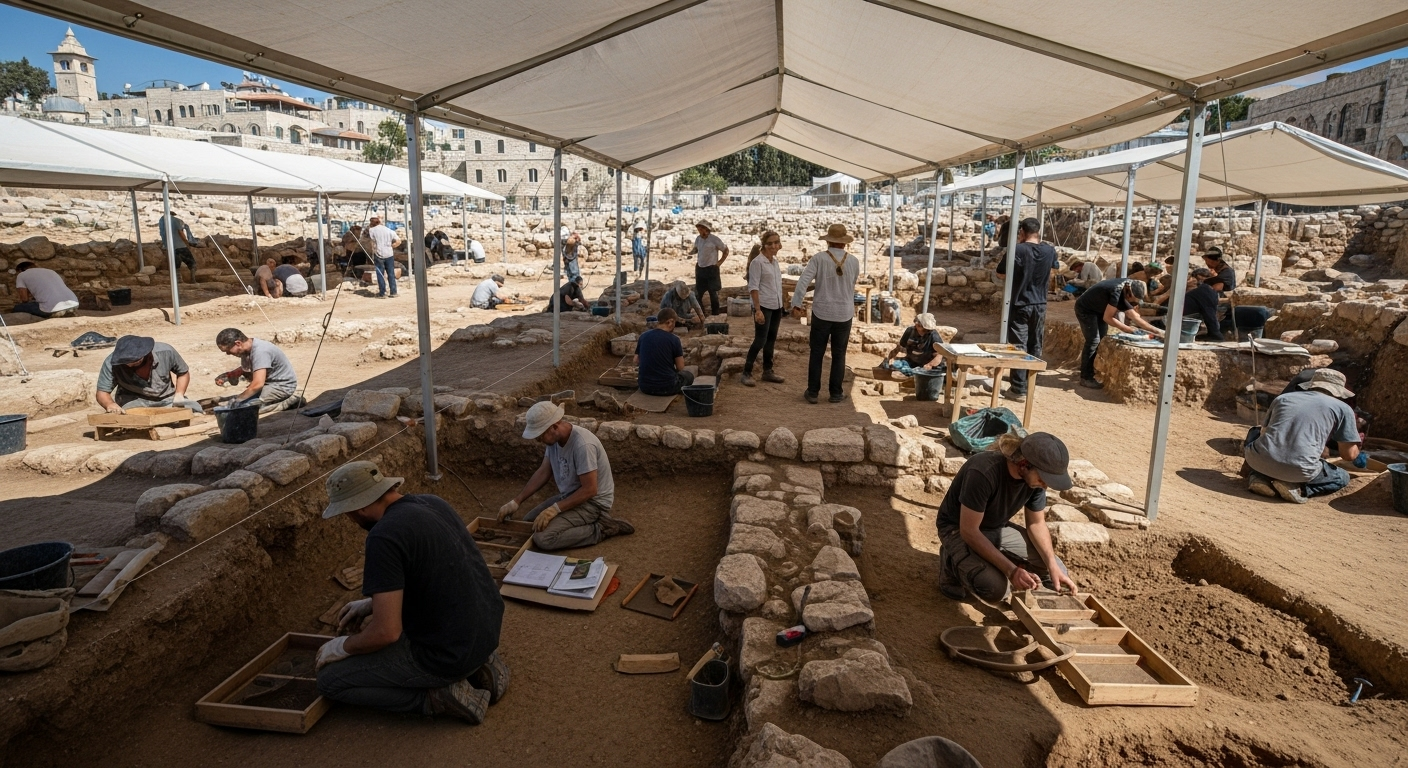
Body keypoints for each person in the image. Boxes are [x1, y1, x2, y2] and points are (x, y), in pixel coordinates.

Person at [315, 461, 508, 724]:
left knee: (330, 681)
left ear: (360, 507)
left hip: (447, 654)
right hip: (486, 632)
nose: (349, 519)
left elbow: (387, 632)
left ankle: (435, 697)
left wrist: (342, 647)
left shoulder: (383, 536)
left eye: (347, 512)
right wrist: (372, 603)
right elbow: (437, 572)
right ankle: (481, 664)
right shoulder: (432, 502)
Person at [937, 432, 1078, 603]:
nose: (1045, 485)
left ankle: (982, 559)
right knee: (995, 588)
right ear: (1024, 464)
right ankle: (951, 563)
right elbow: (969, 531)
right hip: (957, 529)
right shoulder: (984, 471)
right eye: (1043, 479)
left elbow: (1036, 523)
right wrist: (1011, 571)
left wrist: (1052, 565)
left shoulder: (1035, 482)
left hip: (995, 527)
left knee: (1058, 569)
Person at [498, 401, 634, 551]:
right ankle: (580, 521)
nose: (538, 440)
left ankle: (601, 528)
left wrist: (555, 509)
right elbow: (544, 471)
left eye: (540, 435)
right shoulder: (554, 441)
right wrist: (516, 501)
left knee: (543, 538)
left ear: (554, 427)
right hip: (570, 495)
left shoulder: (583, 445)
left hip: (593, 503)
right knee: (529, 523)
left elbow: (590, 490)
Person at [1244, 369, 1362, 504]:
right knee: (1342, 477)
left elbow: (1263, 433)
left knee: (1254, 433)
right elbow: (1348, 455)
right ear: (1339, 390)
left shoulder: (1283, 398)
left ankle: (1258, 477)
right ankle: (1297, 487)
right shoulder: (1343, 408)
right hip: (1300, 471)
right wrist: (1359, 455)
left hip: (1258, 461)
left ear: (1312, 384)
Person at [790, 224, 861, 404]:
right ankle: (836, 393)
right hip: (844, 313)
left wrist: (796, 304)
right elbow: (852, 284)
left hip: (822, 311)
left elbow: (803, 282)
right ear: (844, 243)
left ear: (828, 241)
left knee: (817, 353)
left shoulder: (819, 259)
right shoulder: (854, 261)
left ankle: (813, 392)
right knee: (839, 354)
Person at [995, 217, 1055, 402]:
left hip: (1020, 303)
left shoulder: (1017, 250)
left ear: (1021, 232)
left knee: (1019, 345)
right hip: (1040, 304)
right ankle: (1030, 385)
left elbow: (1000, 273)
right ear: (1038, 232)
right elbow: (1053, 270)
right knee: (1035, 343)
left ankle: (1018, 389)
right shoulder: (1050, 250)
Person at [1074, 278, 1164, 389]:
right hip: (1086, 309)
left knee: (1101, 338)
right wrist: (1127, 329)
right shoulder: (1116, 292)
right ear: (1128, 293)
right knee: (1093, 340)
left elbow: (1135, 317)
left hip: (1099, 309)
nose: (1132, 303)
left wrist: (1157, 332)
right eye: (1132, 301)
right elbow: (1108, 318)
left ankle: (1087, 367)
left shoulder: (1129, 287)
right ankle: (1086, 377)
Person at [95, 335, 202, 414]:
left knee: (195, 409)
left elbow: (183, 373)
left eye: (135, 362)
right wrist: (110, 404)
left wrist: (179, 394)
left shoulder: (166, 352)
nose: (130, 365)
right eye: (126, 363)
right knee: (129, 418)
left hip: (167, 399)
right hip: (134, 402)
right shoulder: (111, 363)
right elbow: (102, 392)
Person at [214, 328, 301, 413]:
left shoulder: (261, 351)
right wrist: (233, 374)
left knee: (243, 409)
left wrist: (237, 401)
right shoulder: (246, 350)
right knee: (242, 401)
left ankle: (289, 402)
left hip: (282, 386)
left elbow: (257, 385)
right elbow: (256, 366)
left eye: (228, 350)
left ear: (238, 343)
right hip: (269, 384)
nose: (228, 353)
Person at [741, 230, 786, 388]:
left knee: (771, 340)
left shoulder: (775, 262)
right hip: (764, 306)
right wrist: (758, 310)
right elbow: (753, 287)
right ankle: (746, 372)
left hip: (776, 306)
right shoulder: (757, 263)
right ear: (764, 245)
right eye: (770, 243)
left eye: (776, 242)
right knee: (760, 340)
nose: (774, 246)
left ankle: (768, 371)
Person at [1150, 268, 1223, 341]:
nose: (1193, 281)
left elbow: (1209, 313)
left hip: (1177, 322)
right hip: (1177, 322)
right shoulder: (1205, 291)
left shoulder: (1202, 291)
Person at [633, 308, 694, 395]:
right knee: (689, 376)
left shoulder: (643, 336)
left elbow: (636, 360)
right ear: (670, 322)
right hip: (667, 387)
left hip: (645, 387)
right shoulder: (674, 339)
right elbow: (680, 367)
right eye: (674, 323)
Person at [882, 313, 943, 378]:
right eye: (924, 329)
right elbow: (899, 347)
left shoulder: (934, 336)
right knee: (896, 365)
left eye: (928, 330)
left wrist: (929, 365)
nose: (926, 331)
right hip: (912, 361)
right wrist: (888, 359)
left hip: (927, 364)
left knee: (931, 373)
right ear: (917, 325)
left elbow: (939, 355)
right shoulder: (910, 331)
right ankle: (914, 374)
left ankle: (916, 375)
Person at [13, 261, 79, 318]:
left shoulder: (21, 275)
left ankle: (56, 313)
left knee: (18, 308)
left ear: (20, 270)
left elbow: (24, 299)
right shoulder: (51, 271)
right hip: (74, 304)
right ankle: (67, 311)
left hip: (53, 309)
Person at [689, 220, 729, 316]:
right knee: (698, 294)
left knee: (713, 293)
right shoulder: (698, 239)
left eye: (701, 229)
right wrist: (691, 252)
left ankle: (715, 314)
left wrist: (719, 262)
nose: (699, 231)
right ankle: (701, 314)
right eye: (698, 229)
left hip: (712, 269)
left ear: (706, 229)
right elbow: (696, 249)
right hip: (700, 269)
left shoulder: (714, 239)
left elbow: (726, 250)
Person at [157, 210, 199, 283]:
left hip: (169, 247)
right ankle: (193, 280)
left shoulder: (161, 221)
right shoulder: (176, 220)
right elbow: (180, 232)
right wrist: (186, 242)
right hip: (180, 245)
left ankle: (179, 281)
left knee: (176, 265)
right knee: (192, 263)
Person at [366, 216, 401, 298]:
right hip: (389, 254)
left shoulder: (372, 230)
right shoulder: (388, 230)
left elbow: (371, 241)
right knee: (391, 273)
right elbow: (398, 241)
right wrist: (391, 246)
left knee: (380, 274)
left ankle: (383, 293)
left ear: (371, 223)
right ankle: (393, 292)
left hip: (379, 254)